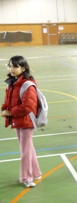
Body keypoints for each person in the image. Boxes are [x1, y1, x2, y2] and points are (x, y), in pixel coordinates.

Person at [1, 55, 42, 188]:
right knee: (28, 147)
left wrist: (10, 112)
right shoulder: (12, 82)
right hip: (18, 120)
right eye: (10, 66)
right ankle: (36, 172)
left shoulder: (27, 85)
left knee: (25, 150)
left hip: (26, 121)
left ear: (23, 68)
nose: (12, 69)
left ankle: (27, 177)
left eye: (15, 66)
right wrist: (4, 109)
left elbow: (27, 107)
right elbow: (8, 100)